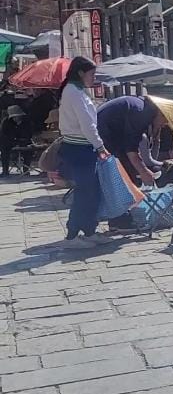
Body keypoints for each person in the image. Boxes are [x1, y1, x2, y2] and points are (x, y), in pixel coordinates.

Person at [57, 56, 111, 249]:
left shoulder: (78, 91)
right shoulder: (73, 91)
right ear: (81, 73)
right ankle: (72, 235)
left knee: (92, 191)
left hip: (84, 148)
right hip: (78, 148)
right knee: (84, 192)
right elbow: (87, 124)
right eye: (92, 74)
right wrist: (100, 146)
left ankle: (89, 230)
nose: (93, 78)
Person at [95, 95, 170, 188]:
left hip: (107, 136)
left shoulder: (141, 107)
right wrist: (143, 171)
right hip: (105, 137)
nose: (165, 124)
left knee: (130, 173)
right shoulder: (141, 113)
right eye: (165, 120)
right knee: (128, 178)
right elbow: (131, 149)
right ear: (160, 113)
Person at [0, 105, 33, 175]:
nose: (16, 118)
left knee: (29, 148)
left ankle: (26, 169)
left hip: (23, 141)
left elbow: (29, 134)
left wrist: (21, 139)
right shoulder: (6, 122)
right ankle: (5, 171)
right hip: (10, 142)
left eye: (18, 116)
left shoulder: (26, 122)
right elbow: (4, 135)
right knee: (4, 149)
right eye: (14, 116)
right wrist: (13, 141)